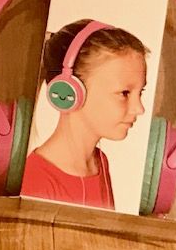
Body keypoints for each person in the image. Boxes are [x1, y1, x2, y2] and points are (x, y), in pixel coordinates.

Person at [21, 19, 148, 209]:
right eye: (124, 93)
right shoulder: (35, 180)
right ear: (72, 92)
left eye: (140, 92)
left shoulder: (100, 163)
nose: (139, 108)